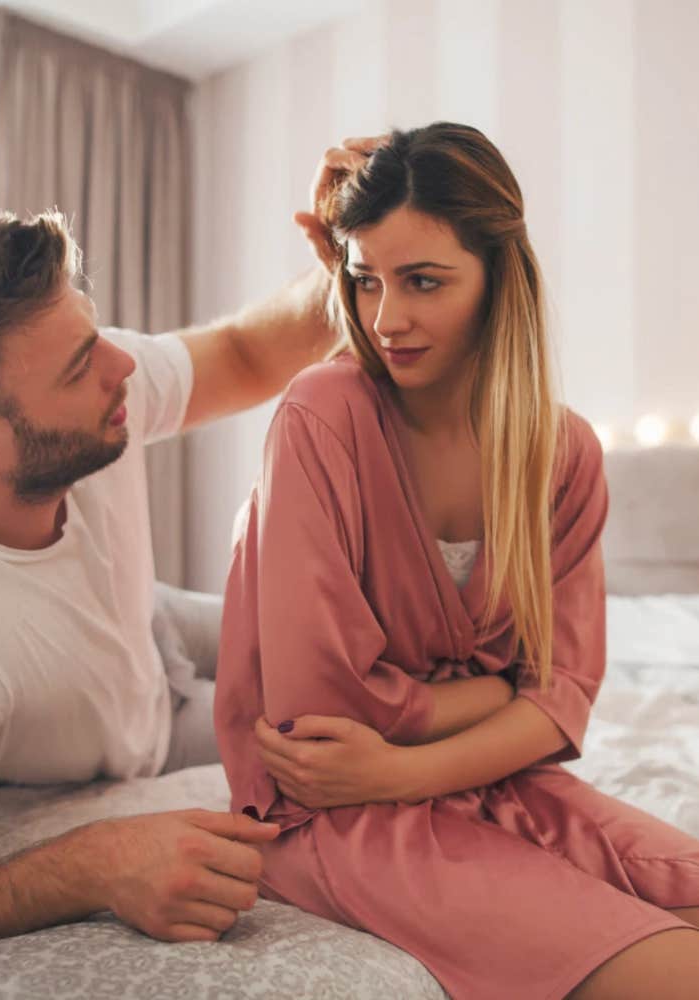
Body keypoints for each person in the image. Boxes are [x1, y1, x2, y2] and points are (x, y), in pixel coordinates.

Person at [214, 124, 699, 999]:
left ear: (498, 279)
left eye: (423, 281)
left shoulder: (564, 454)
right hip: (335, 812)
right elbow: (322, 724)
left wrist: (409, 762)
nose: (385, 319)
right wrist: (494, 695)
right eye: (365, 280)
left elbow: (562, 696)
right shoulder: (321, 417)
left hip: (492, 781)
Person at [0, 210, 337, 945]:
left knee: (357, 645)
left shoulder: (88, 379)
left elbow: (243, 353)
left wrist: (349, 258)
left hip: (146, 622)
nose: (123, 366)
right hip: (138, 735)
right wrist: (92, 864)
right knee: (343, 719)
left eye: (94, 333)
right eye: (81, 367)